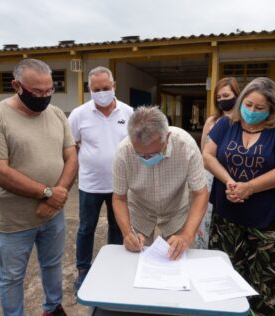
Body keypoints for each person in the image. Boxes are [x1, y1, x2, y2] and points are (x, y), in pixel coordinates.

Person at [0, 59, 78, 316]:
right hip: (15, 221)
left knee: (53, 265)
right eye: (37, 92)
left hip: (53, 215)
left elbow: (72, 157)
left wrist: (57, 197)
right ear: (17, 86)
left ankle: (53, 307)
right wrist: (47, 193)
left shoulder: (56, 114)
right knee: (11, 277)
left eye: (49, 90)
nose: (44, 97)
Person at [202, 77, 275, 315]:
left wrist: (250, 187)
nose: (251, 111)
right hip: (228, 217)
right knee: (226, 275)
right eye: (248, 105)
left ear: (272, 109)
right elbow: (208, 155)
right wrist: (230, 181)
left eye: (259, 108)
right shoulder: (227, 125)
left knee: (265, 280)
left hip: (267, 221)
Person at [112, 106, 208, 260]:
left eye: (154, 153)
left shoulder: (186, 146)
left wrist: (187, 235)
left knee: (178, 259)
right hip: (139, 212)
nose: (147, 158)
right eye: (140, 154)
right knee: (135, 262)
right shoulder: (123, 151)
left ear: (167, 137)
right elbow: (119, 198)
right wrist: (127, 234)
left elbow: (200, 193)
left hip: (177, 213)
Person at [68, 66, 133, 292]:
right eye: (97, 89)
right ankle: (83, 270)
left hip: (120, 186)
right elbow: (71, 146)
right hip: (90, 184)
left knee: (117, 227)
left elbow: (136, 146)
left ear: (114, 86)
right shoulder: (78, 115)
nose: (102, 92)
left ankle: (112, 266)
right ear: (89, 89)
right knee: (86, 228)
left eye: (106, 88)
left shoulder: (128, 113)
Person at [195, 77, 240, 249]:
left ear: (237, 94)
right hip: (210, 177)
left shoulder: (243, 122)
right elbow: (204, 153)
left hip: (233, 177)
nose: (222, 100)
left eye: (226, 95)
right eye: (219, 98)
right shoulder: (212, 121)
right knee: (206, 217)